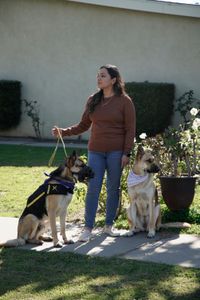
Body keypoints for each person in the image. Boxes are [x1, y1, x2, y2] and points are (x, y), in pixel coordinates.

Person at [52, 64, 136, 242]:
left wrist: (126, 153)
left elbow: (130, 129)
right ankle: (88, 228)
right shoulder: (93, 100)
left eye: (103, 76)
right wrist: (63, 132)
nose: (99, 78)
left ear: (113, 80)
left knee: (113, 188)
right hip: (95, 151)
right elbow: (83, 125)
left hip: (116, 152)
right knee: (93, 188)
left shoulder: (125, 101)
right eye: (98, 75)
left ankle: (108, 226)